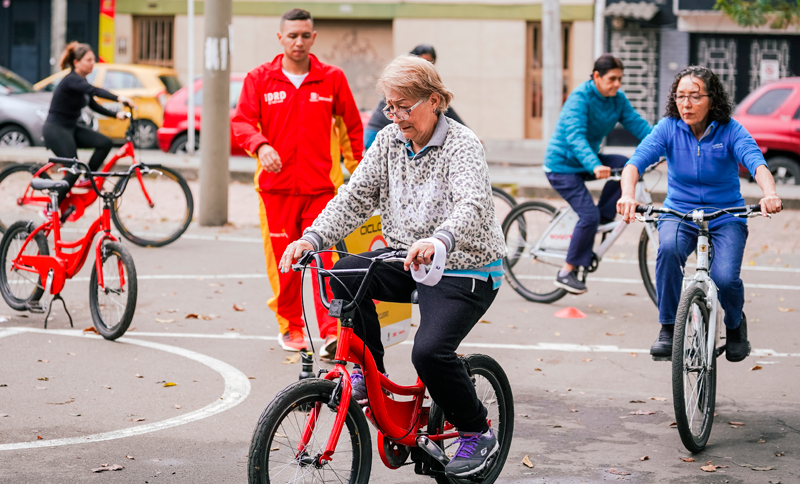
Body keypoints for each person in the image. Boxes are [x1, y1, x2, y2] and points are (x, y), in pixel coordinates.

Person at [279, 55, 507, 478]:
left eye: (404, 106)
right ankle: (370, 374)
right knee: (344, 273)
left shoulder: (462, 143)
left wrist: (439, 240)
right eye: (389, 106)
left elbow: (472, 203)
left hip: (465, 265)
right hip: (406, 256)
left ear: (434, 100)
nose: (396, 116)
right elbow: (355, 197)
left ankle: (478, 431)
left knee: (429, 352)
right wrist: (310, 238)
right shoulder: (387, 141)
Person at [617, 65, 782, 361]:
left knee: (725, 278)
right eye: (680, 96)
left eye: (694, 96)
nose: (686, 104)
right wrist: (628, 195)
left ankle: (734, 324)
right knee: (667, 251)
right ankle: (668, 327)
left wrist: (769, 194)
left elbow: (757, 163)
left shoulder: (731, 129)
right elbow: (635, 164)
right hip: (679, 212)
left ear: (712, 99)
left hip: (726, 214)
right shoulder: (668, 128)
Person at [232, 9, 363, 355]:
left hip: (321, 191)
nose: (299, 42)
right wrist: (260, 147)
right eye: (292, 36)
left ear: (314, 38)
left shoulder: (332, 78)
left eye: (305, 35)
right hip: (275, 193)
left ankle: (331, 331)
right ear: (280, 38)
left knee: (324, 262)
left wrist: (363, 176)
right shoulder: (260, 78)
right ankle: (291, 327)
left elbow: (352, 130)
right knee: (285, 265)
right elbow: (242, 122)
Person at [543, 54, 652, 294]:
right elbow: (575, 136)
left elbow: (638, 125)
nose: (617, 84)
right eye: (612, 79)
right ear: (596, 77)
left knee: (626, 167)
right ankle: (566, 272)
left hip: (587, 161)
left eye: (620, 79)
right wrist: (594, 164)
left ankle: (600, 220)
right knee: (588, 215)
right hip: (562, 166)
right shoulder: (580, 98)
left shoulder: (617, 100)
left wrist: (665, 143)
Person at [43, 42, 135, 221]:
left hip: (71, 128)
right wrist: (118, 97)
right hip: (56, 129)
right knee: (73, 169)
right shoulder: (72, 80)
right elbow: (94, 91)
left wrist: (116, 115)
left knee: (104, 143)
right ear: (76, 62)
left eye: (93, 60)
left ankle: (87, 179)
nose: (92, 63)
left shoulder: (81, 82)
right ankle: (50, 208)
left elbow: (93, 104)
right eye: (89, 60)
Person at [362, 44, 468, 150]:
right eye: (391, 107)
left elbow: (446, 111)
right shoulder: (386, 135)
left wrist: (469, 131)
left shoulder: (461, 143)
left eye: (430, 62)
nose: (395, 119)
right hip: (374, 132)